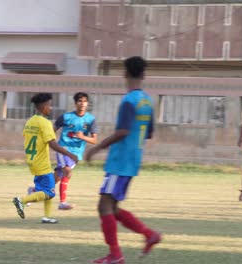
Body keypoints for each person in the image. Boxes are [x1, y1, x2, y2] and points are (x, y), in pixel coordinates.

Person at [85, 56, 161, 264]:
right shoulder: (147, 101)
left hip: (120, 160)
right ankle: (149, 235)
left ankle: (115, 255)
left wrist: (97, 148)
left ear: (125, 74)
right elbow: (149, 133)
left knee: (104, 206)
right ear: (143, 75)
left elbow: (122, 131)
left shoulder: (129, 101)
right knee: (112, 207)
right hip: (133, 159)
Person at [12, 93, 78, 224]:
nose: (51, 108)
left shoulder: (30, 122)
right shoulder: (45, 123)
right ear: (43, 106)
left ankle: (47, 216)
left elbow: (27, 138)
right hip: (41, 162)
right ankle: (22, 200)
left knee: (50, 186)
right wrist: (70, 154)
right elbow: (52, 143)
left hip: (32, 160)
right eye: (49, 105)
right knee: (50, 192)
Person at [53, 92, 98, 210]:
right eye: (80, 101)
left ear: (87, 103)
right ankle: (62, 202)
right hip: (64, 148)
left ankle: (35, 190)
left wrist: (83, 137)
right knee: (67, 171)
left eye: (84, 101)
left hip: (77, 153)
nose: (82, 104)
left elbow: (94, 140)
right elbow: (52, 131)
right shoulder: (66, 117)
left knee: (57, 177)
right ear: (75, 103)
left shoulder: (90, 120)